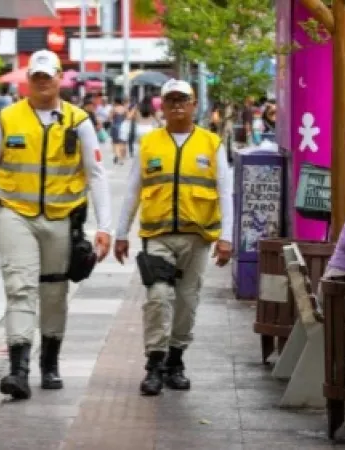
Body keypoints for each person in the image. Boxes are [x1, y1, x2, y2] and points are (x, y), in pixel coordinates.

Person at [0, 50, 113, 401]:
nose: (42, 81)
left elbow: (96, 174)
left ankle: (49, 362)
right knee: (20, 287)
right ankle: (18, 370)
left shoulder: (78, 121)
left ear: (59, 77)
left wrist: (105, 227)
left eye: (48, 75)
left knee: (54, 292)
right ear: (28, 80)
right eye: (36, 76)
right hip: (15, 214)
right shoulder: (7, 119)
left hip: (62, 219)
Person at [114, 79, 234, 397]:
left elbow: (226, 192)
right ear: (162, 107)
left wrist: (227, 238)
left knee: (186, 302)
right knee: (158, 297)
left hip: (197, 239)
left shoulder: (211, 143)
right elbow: (132, 190)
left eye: (184, 99)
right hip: (158, 237)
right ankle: (154, 365)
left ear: (195, 105)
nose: (178, 105)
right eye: (171, 100)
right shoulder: (150, 144)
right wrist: (121, 233)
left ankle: (175, 362)